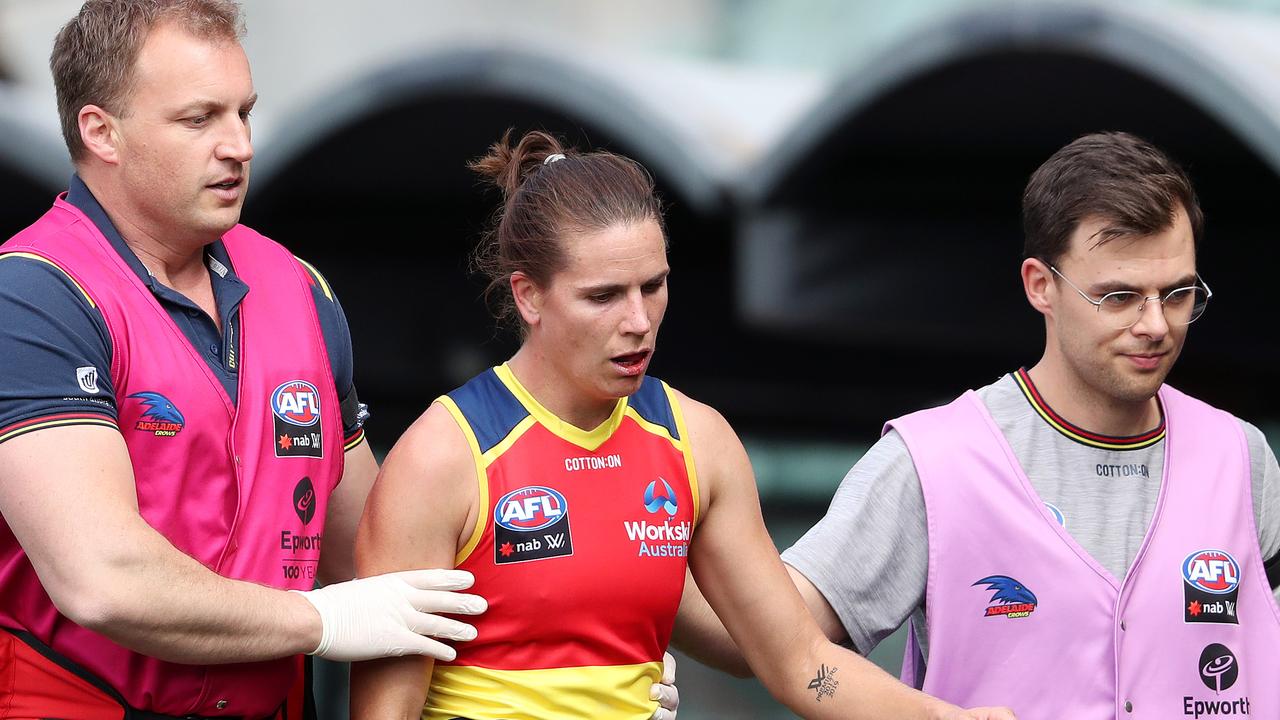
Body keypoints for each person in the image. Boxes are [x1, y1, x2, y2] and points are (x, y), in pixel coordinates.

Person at [349, 129, 1015, 720]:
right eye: (604, 295)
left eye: (654, 285)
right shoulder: (443, 457)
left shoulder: (696, 439)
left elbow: (801, 666)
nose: (638, 320)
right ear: (529, 296)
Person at [673, 132, 1280, 718]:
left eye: (1176, 294)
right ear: (1040, 286)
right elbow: (768, 640)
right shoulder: (936, 462)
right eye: (1118, 297)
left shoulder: (1241, 458)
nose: (1155, 324)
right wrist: (624, 566)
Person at [0, 2, 487, 717]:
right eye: (199, 120)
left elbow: (381, 560)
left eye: (244, 113)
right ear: (100, 131)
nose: (239, 146)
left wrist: (577, 669)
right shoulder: (34, 293)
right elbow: (103, 580)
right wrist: (321, 623)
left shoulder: (297, 287)